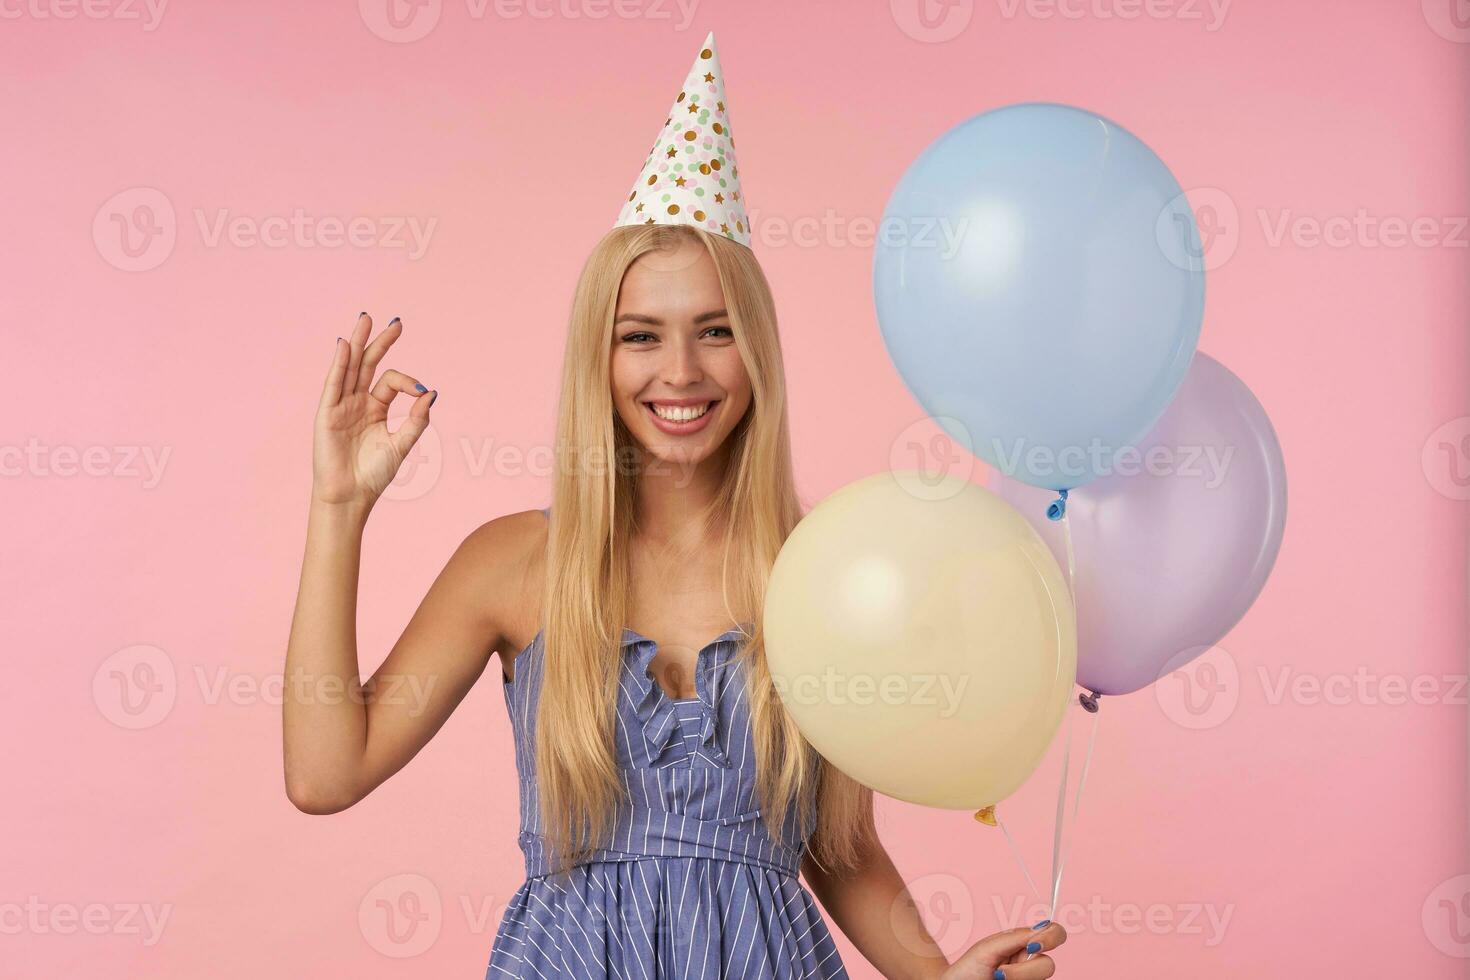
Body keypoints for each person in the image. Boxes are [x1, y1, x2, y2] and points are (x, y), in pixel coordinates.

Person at [282, 31, 1066, 980]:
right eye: (641, 336)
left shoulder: (821, 569)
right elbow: (327, 773)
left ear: (758, 353)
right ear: (598, 360)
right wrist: (339, 507)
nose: (681, 373)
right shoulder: (516, 564)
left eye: (715, 332)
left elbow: (841, 848)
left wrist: (940, 976)